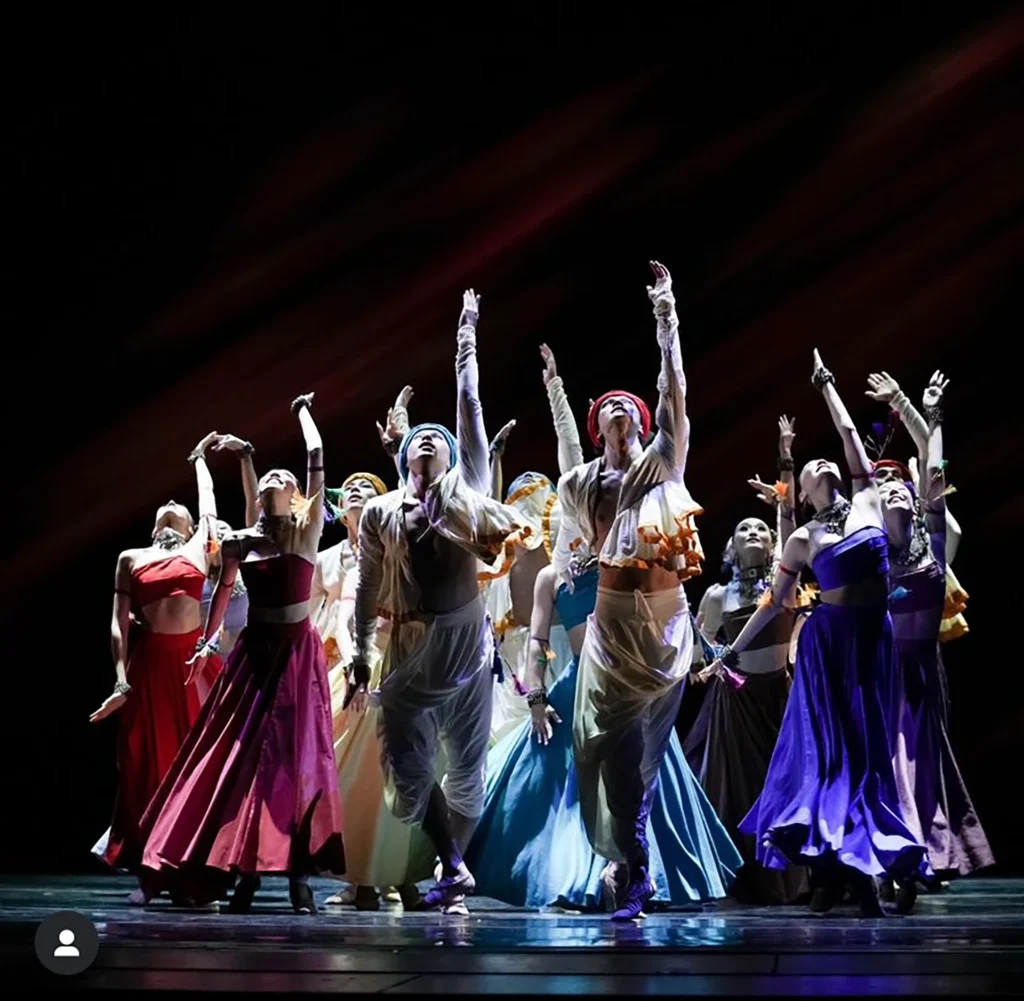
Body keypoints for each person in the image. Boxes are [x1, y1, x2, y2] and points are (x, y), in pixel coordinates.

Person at [714, 350, 926, 917]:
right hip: (827, 645)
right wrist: (731, 650)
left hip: (872, 640)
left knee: (871, 753)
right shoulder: (802, 538)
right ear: (803, 491)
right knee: (833, 756)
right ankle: (840, 871)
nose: (824, 464)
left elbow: (850, 434)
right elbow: (773, 603)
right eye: (812, 467)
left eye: (826, 461)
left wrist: (826, 384)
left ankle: (854, 864)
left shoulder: (868, 500)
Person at [347, 290, 524, 915]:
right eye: (416, 439)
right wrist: (361, 652)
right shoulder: (380, 512)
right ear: (403, 458)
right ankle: (453, 863)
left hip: (466, 638)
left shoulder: (466, 490)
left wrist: (466, 335)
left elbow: (468, 406)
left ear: (452, 455)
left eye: (436, 438)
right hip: (409, 642)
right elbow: (367, 585)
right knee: (405, 770)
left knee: (468, 763)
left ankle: (454, 873)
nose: (427, 441)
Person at [138, 395, 345, 914]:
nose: (276, 478)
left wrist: (301, 411)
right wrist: (207, 641)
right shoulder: (241, 542)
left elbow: (315, 455)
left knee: (296, 763)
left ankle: (298, 876)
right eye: (268, 476)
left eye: (283, 477)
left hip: (296, 656)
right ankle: (244, 871)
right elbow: (225, 593)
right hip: (255, 654)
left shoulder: (306, 532)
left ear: (296, 494)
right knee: (243, 761)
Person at [552, 261, 710, 920]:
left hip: (665, 621)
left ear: (642, 420)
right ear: (599, 428)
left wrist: (665, 313)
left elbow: (674, 389)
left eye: (627, 403)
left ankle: (631, 862)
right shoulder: (581, 483)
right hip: (613, 622)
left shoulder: (663, 462)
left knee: (643, 753)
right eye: (606, 406)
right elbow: (571, 541)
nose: (617, 406)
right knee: (611, 749)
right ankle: (632, 860)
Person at [866, 371, 993, 887]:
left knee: (917, 761)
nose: (891, 488)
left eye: (899, 484)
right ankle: (887, 854)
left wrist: (921, 409)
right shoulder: (865, 550)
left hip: (918, 669)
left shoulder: (933, 543)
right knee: (887, 761)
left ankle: (920, 850)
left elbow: (934, 466)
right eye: (880, 484)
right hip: (876, 671)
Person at [686, 417, 810, 905]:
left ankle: (794, 876)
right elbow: (699, 640)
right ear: (732, 548)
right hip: (735, 707)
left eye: (760, 528)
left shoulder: (784, 582)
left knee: (784, 785)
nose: (754, 532)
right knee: (738, 791)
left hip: (779, 699)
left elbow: (789, 523)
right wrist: (712, 659)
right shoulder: (719, 595)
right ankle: (739, 876)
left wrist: (785, 464)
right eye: (744, 530)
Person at [89, 432, 219, 894]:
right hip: (149, 668)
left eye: (178, 508)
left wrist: (199, 459)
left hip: (192, 665)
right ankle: (151, 867)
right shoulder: (132, 557)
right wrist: (120, 681)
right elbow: (118, 622)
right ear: (153, 528)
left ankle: (194, 869)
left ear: (189, 525)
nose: (170, 504)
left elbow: (208, 504)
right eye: (164, 507)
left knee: (195, 764)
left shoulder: (198, 546)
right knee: (146, 762)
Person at [318, 471, 433, 912]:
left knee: (411, 774)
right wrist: (355, 663)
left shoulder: (410, 563)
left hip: (408, 669)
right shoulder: (360, 569)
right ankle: (362, 876)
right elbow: (346, 623)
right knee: (362, 778)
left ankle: (405, 875)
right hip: (368, 669)